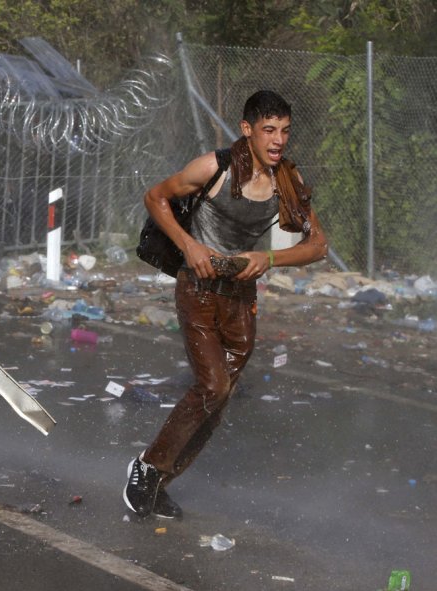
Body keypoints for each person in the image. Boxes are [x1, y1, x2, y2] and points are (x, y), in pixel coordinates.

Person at [123, 90, 328, 519]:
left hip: (241, 299)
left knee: (217, 399)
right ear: (247, 129)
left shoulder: (286, 179)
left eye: (285, 131)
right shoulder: (213, 167)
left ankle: (157, 481)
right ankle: (145, 467)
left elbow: (317, 246)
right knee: (213, 386)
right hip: (198, 288)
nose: (278, 140)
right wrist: (188, 244)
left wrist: (268, 258)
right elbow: (155, 197)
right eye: (269, 130)